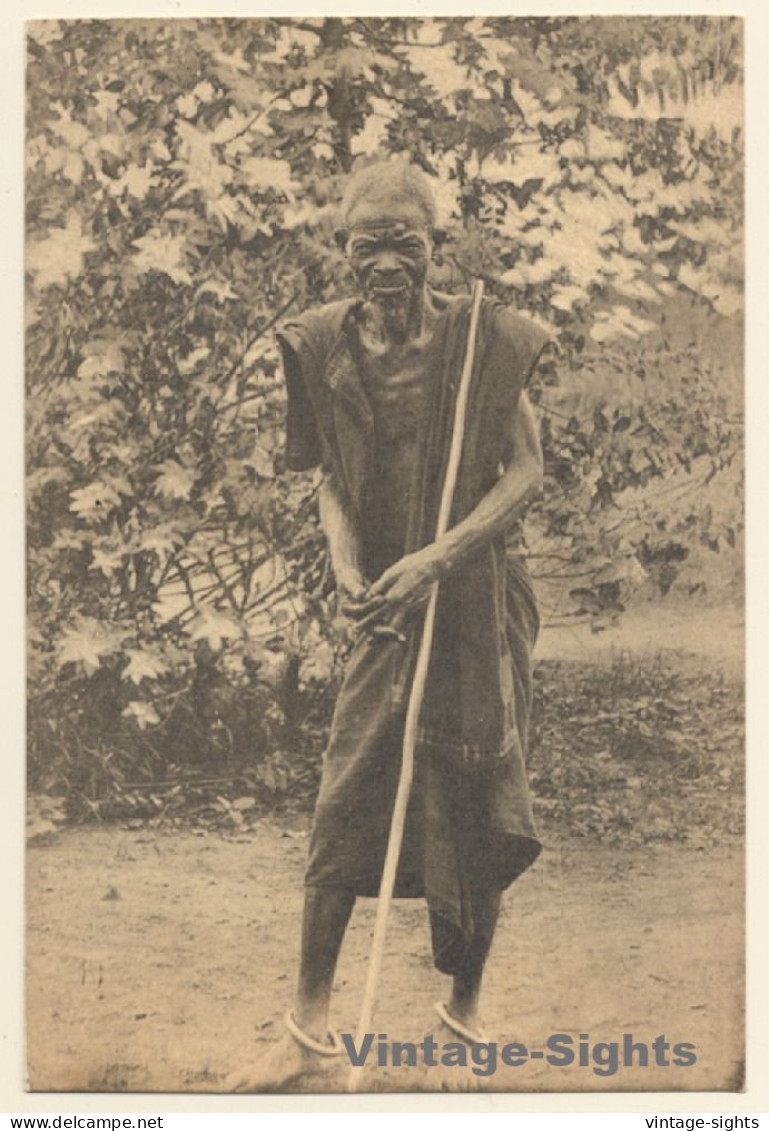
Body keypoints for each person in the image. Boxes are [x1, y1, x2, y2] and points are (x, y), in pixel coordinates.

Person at [228, 158, 552, 1092]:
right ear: (342, 251)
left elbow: (525, 473)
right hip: (380, 600)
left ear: (435, 244)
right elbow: (326, 472)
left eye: (403, 241)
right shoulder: (320, 342)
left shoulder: (487, 338)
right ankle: (308, 1027)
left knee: (477, 793)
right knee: (345, 791)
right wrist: (345, 560)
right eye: (366, 243)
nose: (385, 260)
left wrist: (437, 560)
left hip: (475, 593)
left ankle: (461, 1017)